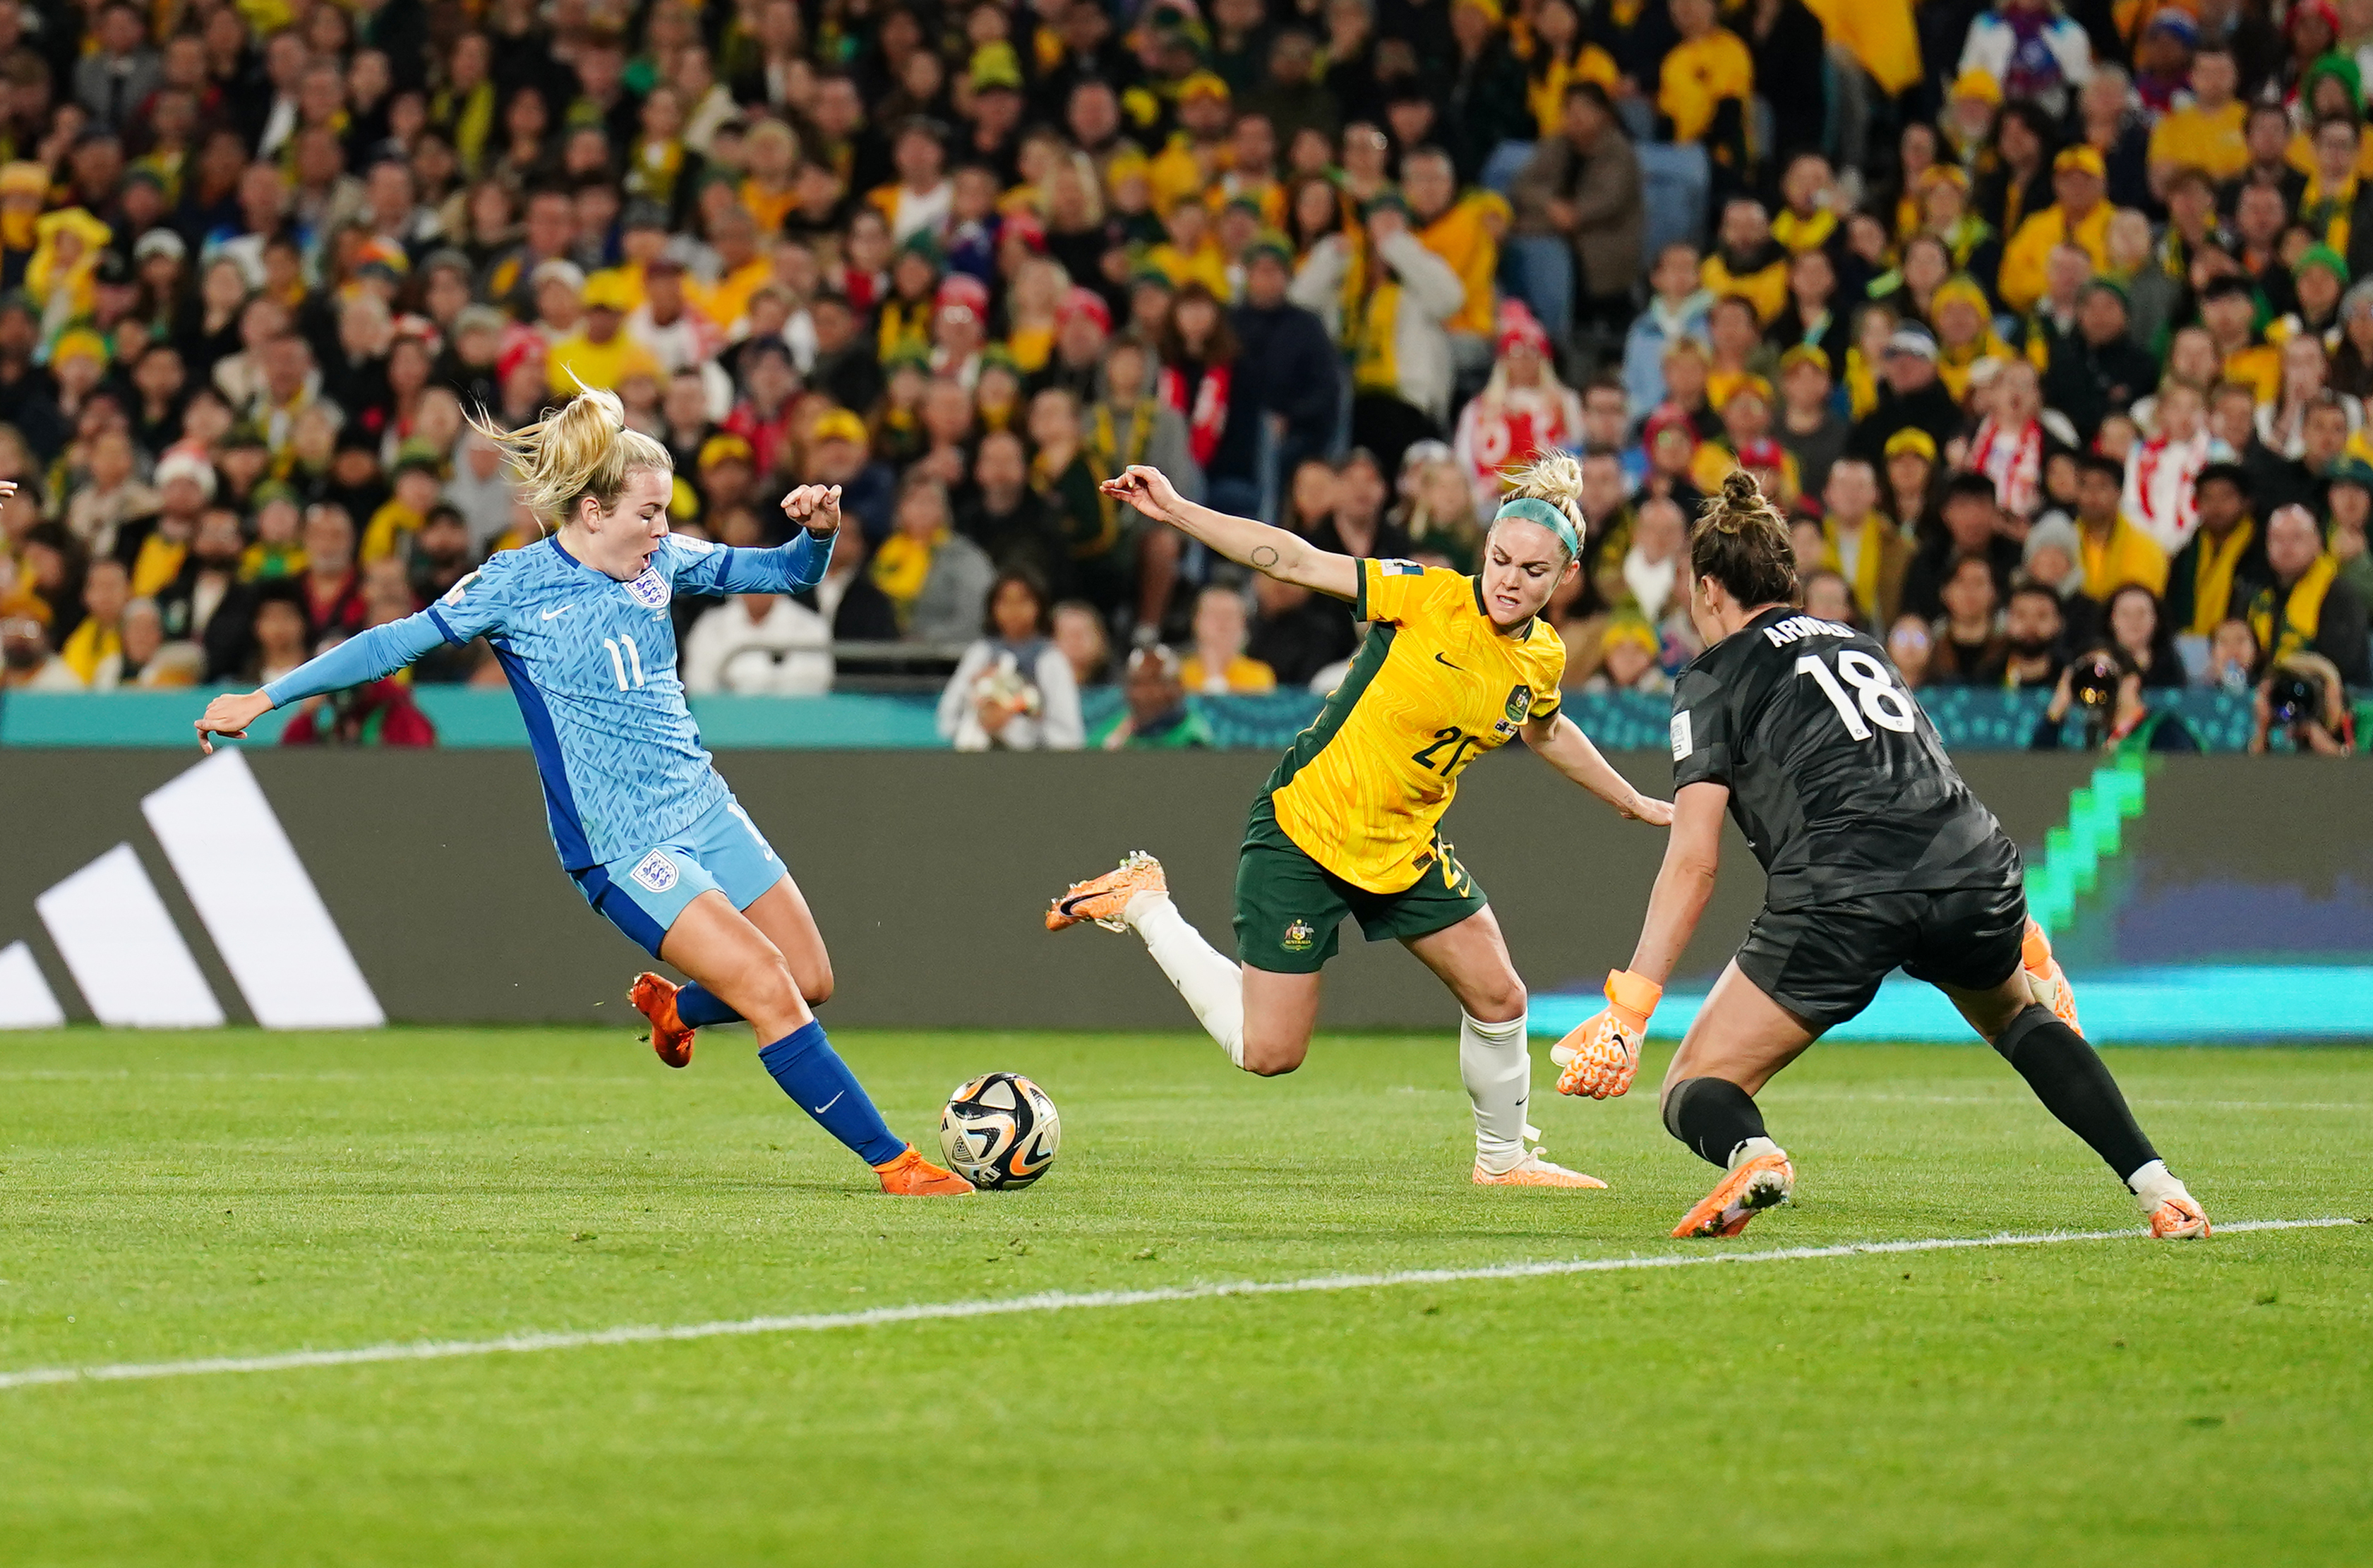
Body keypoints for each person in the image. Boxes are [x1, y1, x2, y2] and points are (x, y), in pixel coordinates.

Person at [191, 387, 970, 1199]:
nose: (662, 530)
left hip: (705, 806)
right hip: (625, 847)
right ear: (592, 511)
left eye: (667, 513)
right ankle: (895, 1163)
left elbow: (783, 573)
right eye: (648, 513)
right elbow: (392, 642)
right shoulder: (512, 586)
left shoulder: (658, 563)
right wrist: (264, 697)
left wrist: (818, 531)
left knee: (810, 978)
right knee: (770, 987)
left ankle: (678, 1012)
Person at [1552, 470, 2209, 1243]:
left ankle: (1755, 1153)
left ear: (1705, 589)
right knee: (2018, 1018)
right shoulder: (1858, 644)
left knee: (1692, 1084)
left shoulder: (1712, 676)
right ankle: (2161, 1190)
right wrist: (2024, 933)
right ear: (1786, 580)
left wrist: (1629, 1008)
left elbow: (1693, 860)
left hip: (1844, 892)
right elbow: (1929, 783)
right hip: (1971, 868)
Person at [1046, 453, 1672, 1189]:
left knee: (1500, 995)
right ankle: (1144, 902)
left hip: (1401, 850)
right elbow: (1297, 560)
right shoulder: (1421, 593)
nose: (1508, 578)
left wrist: (1627, 798)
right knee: (1268, 1051)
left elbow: (1545, 729)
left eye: (1532, 571)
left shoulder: (1540, 655)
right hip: (1305, 830)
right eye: (1499, 558)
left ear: (1564, 577)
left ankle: (1502, 1161)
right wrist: (1179, 510)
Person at [937, 567, 1085, 751]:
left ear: (1040, 606)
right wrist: (981, 712)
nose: (1013, 610)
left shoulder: (1051, 659)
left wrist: (1011, 724)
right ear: (992, 608)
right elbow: (948, 717)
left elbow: (1068, 735)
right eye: (1004, 602)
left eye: (1023, 601)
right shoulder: (980, 654)